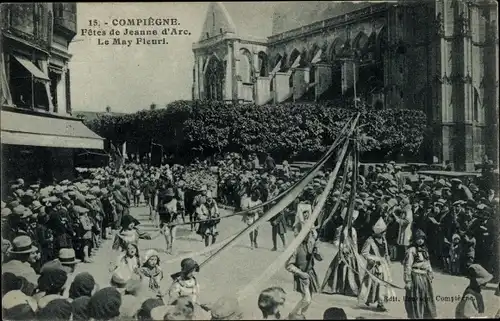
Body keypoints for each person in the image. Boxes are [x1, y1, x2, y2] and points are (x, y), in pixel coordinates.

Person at [321, 208, 361, 297]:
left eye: (353, 220)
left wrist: (355, 253)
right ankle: (337, 287)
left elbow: (355, 243)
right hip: (342, 252)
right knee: (339, 269)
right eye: (350, 219)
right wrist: (343, 247)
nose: (352, 221)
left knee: (350, 270)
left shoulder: (354, 231)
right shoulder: (340, 229)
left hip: (351, 254)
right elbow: (336, 241)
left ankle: (349, 289)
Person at [285, 222, 322, 318]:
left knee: (309, 298)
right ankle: (293, 314)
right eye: (306, 233)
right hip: (302, 275)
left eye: (309, 233)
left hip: (310, 273)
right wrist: (300, 273)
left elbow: (319, 258)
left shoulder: (310, 243)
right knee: (307, 299)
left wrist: (316, 251)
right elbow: (288, 265)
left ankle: (302, 315)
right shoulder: (295, 247)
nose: (308, 235)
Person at [358, 217, 394, 312]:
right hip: (373, 266)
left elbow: (386, 253)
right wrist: (370, 259)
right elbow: (364, 252)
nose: (384, 234)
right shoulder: (370, 241)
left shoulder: (384, 241)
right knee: (371, 283)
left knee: (382, 284)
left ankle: (380, 302)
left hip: (382, 266)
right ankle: (369, 299)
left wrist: (387, 261)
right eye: (383, 232)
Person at [403, 229, 437, 319]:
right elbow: (407, 266)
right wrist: (408, 281)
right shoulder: (411, 250)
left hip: (425, 277)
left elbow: (427, 263)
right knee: (417, 298)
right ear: (414, 239)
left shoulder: (425, 250)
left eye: (422, 238)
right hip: (416, 277)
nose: (420, 240)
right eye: (418, 238)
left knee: (427, 298)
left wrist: (430, 273)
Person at [157, 187, 178, 254]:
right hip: (165, 220)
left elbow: (179, 210)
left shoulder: (175, 201)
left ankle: (172, 248)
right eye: (168, 196)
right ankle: (168, 245)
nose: (170, 197)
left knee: (173, 235)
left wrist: (175, 212)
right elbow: (159, 212)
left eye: (171, 196)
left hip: (173, 220)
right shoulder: (162, 202)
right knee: (166, 234)